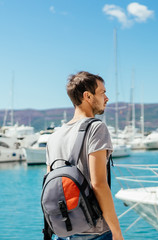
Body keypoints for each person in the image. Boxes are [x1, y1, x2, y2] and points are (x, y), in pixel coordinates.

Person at [46, 71, 124, 240]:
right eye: (102, 92)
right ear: (88, 96)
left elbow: (50, 183)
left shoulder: (53, 137)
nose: (107, 98)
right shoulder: (96, 128)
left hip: (63, 231)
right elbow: (99, 184)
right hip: (95, 232)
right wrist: (117, 232)